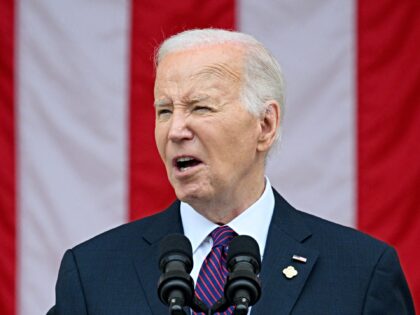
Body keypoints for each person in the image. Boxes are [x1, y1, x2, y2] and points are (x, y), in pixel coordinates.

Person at [47, 29, 415, 315]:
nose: (175, 130)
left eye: (200, 107)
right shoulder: (93, 274)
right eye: (164, 110)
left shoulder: (360, 273)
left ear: (265, 125)